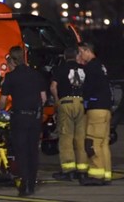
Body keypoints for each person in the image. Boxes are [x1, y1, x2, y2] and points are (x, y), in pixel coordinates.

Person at [0, 46, 46, 197]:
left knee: (21, 152)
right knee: (33, 152)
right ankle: (31, 185)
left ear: (12, 59)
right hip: (35, 118)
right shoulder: (36, 74)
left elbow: (3, 99)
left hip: (19, 117)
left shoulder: (11, 77)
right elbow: (44, 98)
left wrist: (1, 112)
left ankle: (24, 185)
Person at [50, 47, 88, 181]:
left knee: (66, 137)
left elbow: (53, 87)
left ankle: (68, 170)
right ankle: (82, 169)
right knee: (80, 138)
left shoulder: (60, 69)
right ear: (77, 56)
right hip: (82, 103)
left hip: (66, 103)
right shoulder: (84, 69)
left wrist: (56, 101)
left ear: (65, 57)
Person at [78, 42, 112, 186]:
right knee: (103, 143)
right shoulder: (101, 66)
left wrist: (86, 101)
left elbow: (88, 88)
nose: (80, 56)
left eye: (81, 52)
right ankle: (105, 173)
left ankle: (96, 175)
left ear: (88, 51)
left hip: (96, 108)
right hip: (105, 108)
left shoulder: (91, 67)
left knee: (92, 143)